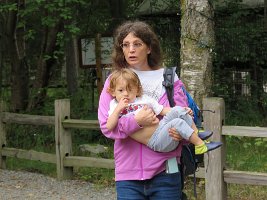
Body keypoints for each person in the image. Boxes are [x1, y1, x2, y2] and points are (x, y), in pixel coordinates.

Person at [98, 20, 219, 199]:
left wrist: (182, 138)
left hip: (166, 171)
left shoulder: (169, 79)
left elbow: (180, 118)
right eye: (126, 45)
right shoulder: (115, 81)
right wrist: (137, 121)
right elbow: (107, 126)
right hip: (128, 173)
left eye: (137, 44)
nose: (131, 49)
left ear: (148, 48)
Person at [106, 68, 222, 154]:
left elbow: (162, 110)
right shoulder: (114, 105)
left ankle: (196, 133)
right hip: (156, 141)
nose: (126, 93)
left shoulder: (143, 99)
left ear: (137, 90)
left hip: (162, 127)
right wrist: (117, 110)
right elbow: (109, 126)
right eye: (121, 90)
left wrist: (182, 110)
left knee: (178, 110)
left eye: (130, 90)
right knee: (177, 123)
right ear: (112, 92)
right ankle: (200, 146)